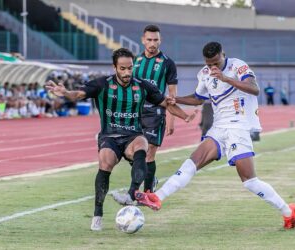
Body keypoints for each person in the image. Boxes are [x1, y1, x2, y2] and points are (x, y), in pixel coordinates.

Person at [135, 42, 295, 229]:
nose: (212, 67)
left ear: (223, 55)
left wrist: (226, 78)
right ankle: (157, 197)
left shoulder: (238, 66)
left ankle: (288, 213)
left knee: (250, 181)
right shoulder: (204, 74)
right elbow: (198, 98)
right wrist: (175, 99)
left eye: (216, 63)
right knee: (192, 162)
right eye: (209, 64)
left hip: (238, 127)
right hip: (219, 127)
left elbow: (254, 88)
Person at [46, 48, 197, 231]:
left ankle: (132, 194)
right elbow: (78, 94)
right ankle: (97, 214)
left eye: (130, 68)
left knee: (143, 145)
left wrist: (184, 116)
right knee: (106, 161)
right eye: (123, 68)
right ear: (115, 67)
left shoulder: (142, 86)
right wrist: (65, 93)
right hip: (110, 135)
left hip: (133, 135)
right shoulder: (103, 84)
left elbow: (166, 103)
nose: (127, 73)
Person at [131, 24, 178, 193]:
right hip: (135, 113)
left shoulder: (167, 63)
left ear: (160, 40)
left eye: (155, 40)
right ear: (143, 40)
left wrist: (172, 120)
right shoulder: (135, 61)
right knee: (133, 153)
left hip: (155, 113)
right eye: (149, 40)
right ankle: (150, 179)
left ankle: (146, 192)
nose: (152, 43)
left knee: (150, 152)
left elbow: (172, 95)